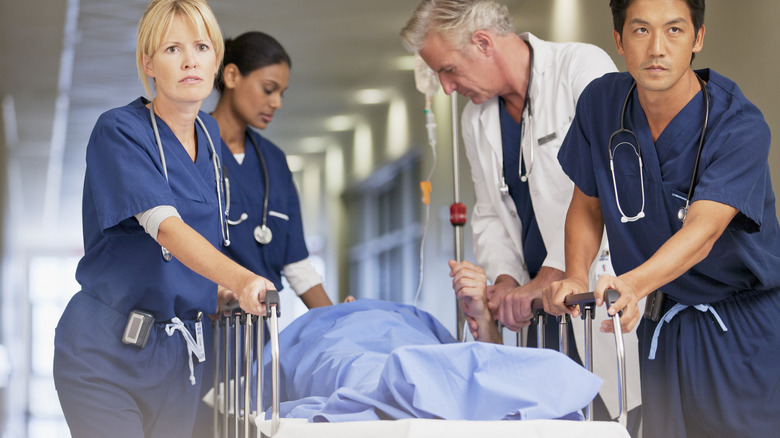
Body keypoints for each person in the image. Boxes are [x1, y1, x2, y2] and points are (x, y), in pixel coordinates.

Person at [400, 0, 640, 427]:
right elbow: (491, 214)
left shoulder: (579, 70)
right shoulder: (477, 120)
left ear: (483, 42)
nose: (447, 88)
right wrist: (508, 281)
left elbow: (609, 190)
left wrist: (547, 278)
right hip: (537, 314)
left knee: (607, 421)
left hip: (591, 300)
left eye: (449, 69)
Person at [546, 0, 780, 436]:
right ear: (618, 40)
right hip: (661, 328)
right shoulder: (601, 105)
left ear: (698, 38)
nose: (657, 48)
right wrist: (576, 276)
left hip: (740, 334)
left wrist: (633, 284)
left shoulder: (738, 126)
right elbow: (588, 204)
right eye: (640, 31)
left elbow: (704, 230)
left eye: (674, 30)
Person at [53, 1, 276, 436]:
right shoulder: (118, 131)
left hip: (179, 362)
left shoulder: (211, 137)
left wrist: (217, 291)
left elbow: (201, 241)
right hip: (105, 356)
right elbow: (167, 229)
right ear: (148, 62)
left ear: (217, 61)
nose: (190, 59)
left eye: (201, 46)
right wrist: (243, 279)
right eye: (172, 49)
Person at [210, 31, 333, 309]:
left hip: (257, 333)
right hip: (198, 326)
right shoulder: (188, 148)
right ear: (231, 76)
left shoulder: (274, 162)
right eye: (268, 89)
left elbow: (298, 267)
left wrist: (337, 321)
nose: (276, 103)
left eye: (281, 94)